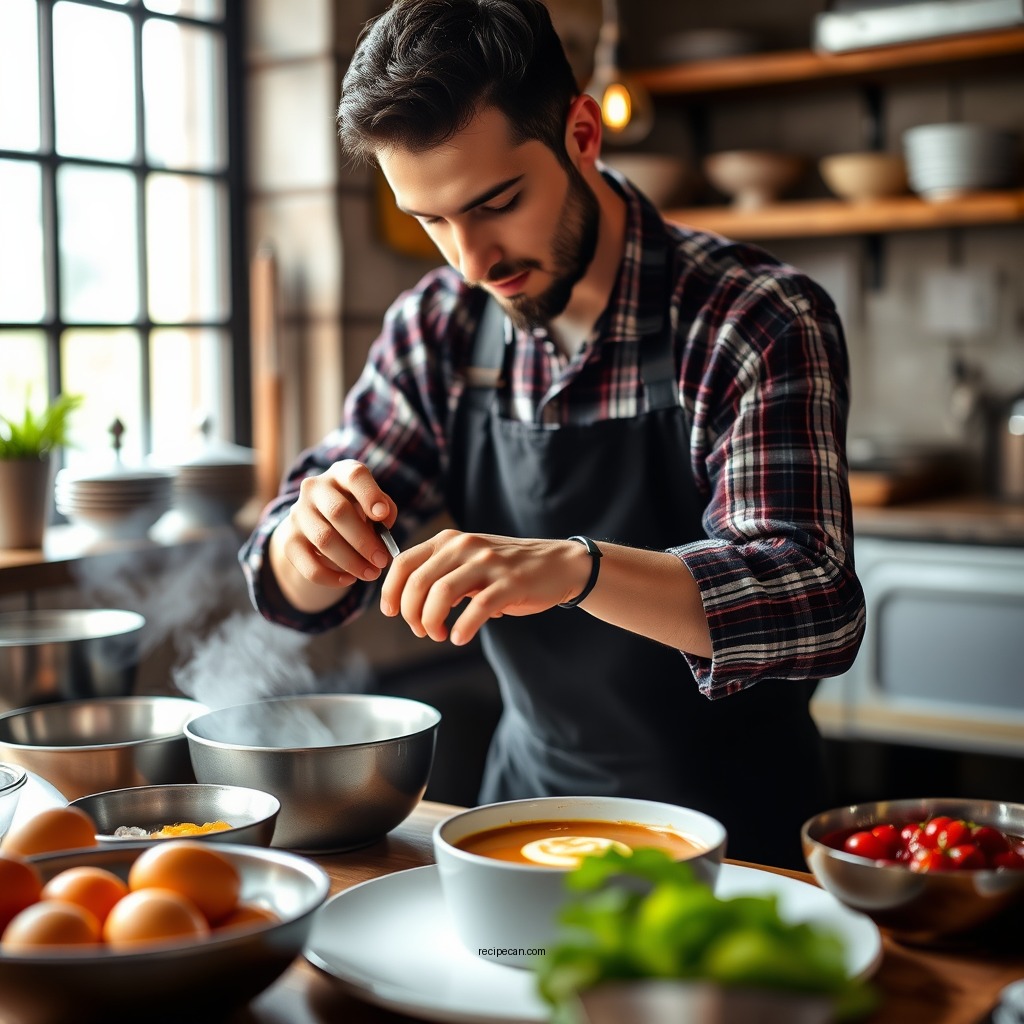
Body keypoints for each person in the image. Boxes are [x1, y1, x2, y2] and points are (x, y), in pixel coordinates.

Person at [240, 0, 866, 868]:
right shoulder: (437, 328)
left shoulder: (753, 318)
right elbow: (286, 587)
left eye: (497, 202)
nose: (473, 261)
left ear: (582, 135)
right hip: (521, 829)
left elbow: (817, 603)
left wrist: (580, 568)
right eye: (431, 221)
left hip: (737, 843)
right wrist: (310, 541)